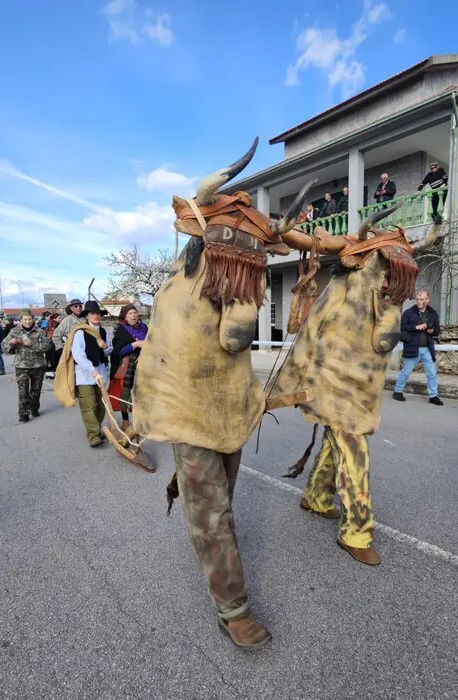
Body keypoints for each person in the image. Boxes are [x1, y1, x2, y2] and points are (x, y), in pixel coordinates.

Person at [133, 139, 311, 649]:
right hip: (183, 409)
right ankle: (233, 609)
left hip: (228, 405)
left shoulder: (234, 286)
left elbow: (234, 342)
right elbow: (219, 338)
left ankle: (215, 536)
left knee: (222, 500)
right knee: (211, 510)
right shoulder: (177, 284)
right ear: (208, 245)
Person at [272, 207, 426, 566]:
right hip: (332, 384)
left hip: (359, 388)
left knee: (334, 441)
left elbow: (384, 341)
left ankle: (315, 497)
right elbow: (311, 339)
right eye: (384, 273)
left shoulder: (382, 301)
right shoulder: (341, 291)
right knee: (354, 451)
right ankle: (356, 531)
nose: (389, 283)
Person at [67, 301, 109, 445]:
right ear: (87, 316)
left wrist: (105, 347)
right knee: (89, 405)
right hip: (85, 375)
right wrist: (92, 370)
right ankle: (93, 435)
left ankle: (96, 428)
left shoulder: (103, 331)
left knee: (101, 405)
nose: (96, 316)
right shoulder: (80, 332)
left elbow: (109, 350)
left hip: (101, 373)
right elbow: (78, 355)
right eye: (92, 313)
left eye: (98, 313)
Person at [392, 289, 443, 406]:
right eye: (417, 299)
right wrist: (416, 327)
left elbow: (437, 331)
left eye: (422, 299)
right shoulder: (408, 313)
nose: (419, 302)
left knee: (432, 373)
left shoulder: (433, 313)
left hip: (427, 349)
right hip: (412, 347)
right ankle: (397, 391)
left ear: (427, 300)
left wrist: (432, 330)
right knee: (406, 372)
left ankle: (433, 396)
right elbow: (402, 328)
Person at [3, 311, 51, 423]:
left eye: (29, 319)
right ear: (21, 320)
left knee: (36, 390)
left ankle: (34, 408)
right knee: (23, 391)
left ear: (33, 320)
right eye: (25, 319)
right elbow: (4, 346)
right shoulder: (15, 332)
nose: (28, 322)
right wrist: (10, 343)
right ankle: (23, 413)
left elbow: (47, 346)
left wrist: (32, 344)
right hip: (22, 365)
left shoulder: (40, 332)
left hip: (38, 365)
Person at [109, 304, 148, 435]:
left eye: (135, 313)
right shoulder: (121, 330)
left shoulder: (144, 328)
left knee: (142, 394)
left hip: (145, 364)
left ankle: (140, 421)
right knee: (125, 393)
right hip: (128, 367)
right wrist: (136, 344)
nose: (134, 315)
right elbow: (118, 351)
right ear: (125, 316)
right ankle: (126, 420)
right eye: (130, 313)